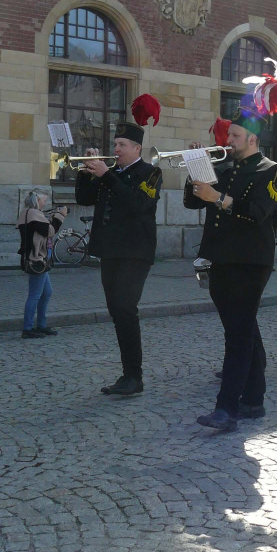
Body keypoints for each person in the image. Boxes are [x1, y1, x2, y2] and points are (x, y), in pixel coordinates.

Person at [186, 108, 277, 432]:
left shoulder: (272, 171)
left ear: (252, 138)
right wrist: (196, 171)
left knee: (237, 335)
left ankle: (226, 408)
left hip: (251, 261)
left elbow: (257, 213)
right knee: (243, 329)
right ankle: (254, 398)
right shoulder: (227, 170)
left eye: (236, 136)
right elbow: (193, 201)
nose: (229, 140)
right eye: (229, 135)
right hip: (221, 258)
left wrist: (220, 198)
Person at [76, 117, 162, 396]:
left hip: (136, 252)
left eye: (122, 145)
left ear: (137, 148)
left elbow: (138, 204)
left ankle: (134, 376)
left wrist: (106, 175)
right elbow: (83, 198)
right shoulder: (111, 172)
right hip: (110, 251)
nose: (116, 149)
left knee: (126, 308)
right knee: (117, 311)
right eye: (114, 144)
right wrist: (86, 172)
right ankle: (128, 375)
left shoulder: (150, 173)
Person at [17, 190, 67, 338]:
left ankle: (41, 325)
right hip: (36, 259)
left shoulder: (29, 213)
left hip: (38, 258)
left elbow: (42, 229)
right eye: (43, 201)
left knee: (46, 292)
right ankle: (28, 328)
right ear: (36, 201)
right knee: (35, 294)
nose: (45, 204)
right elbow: (50, 231)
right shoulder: (33, 214)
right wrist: (60, 215)